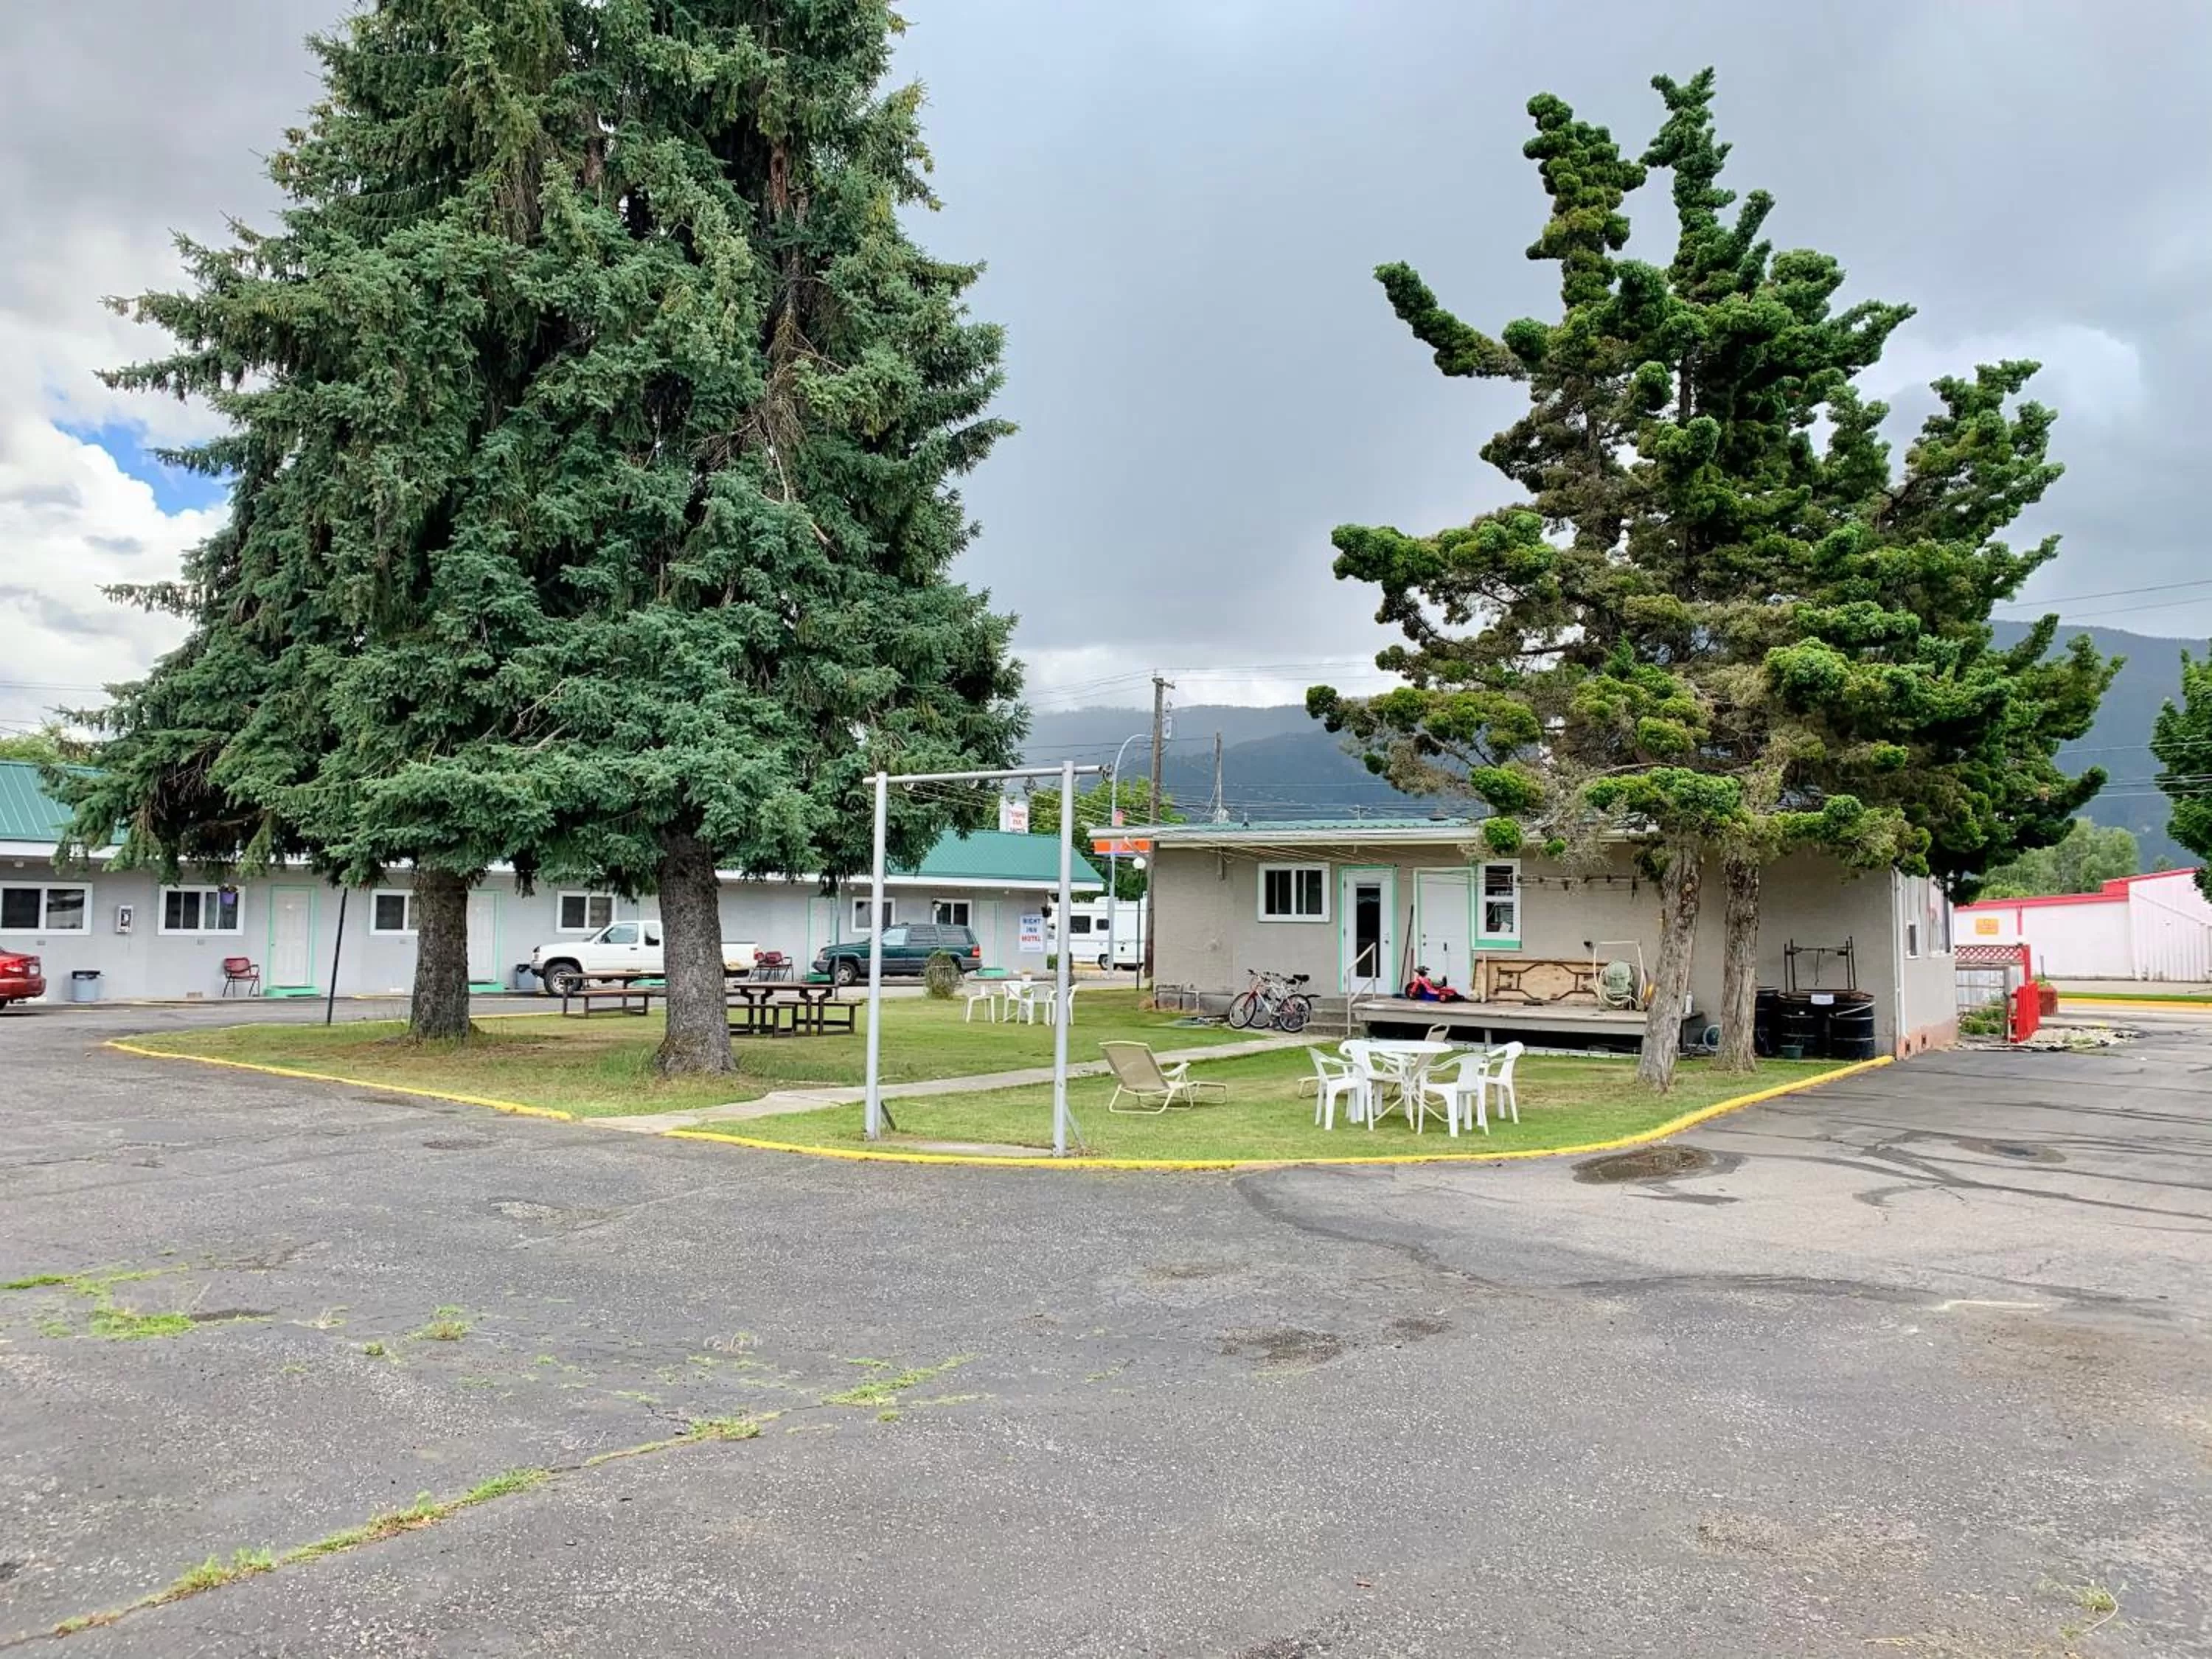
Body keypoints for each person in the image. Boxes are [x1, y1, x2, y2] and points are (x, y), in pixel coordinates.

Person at [1402, 965, 1467, 1003]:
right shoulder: (1420, 979)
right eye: (1425, 972)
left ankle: (1454, 995)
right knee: (1443, 995)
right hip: (1430, 993)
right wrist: (1412, 993)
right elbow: (1414, 988)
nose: (1426, 973)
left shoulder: (1424, 979)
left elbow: (1430, 985)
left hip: (1432, 990)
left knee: (1451, 990)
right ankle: (1450, 994)